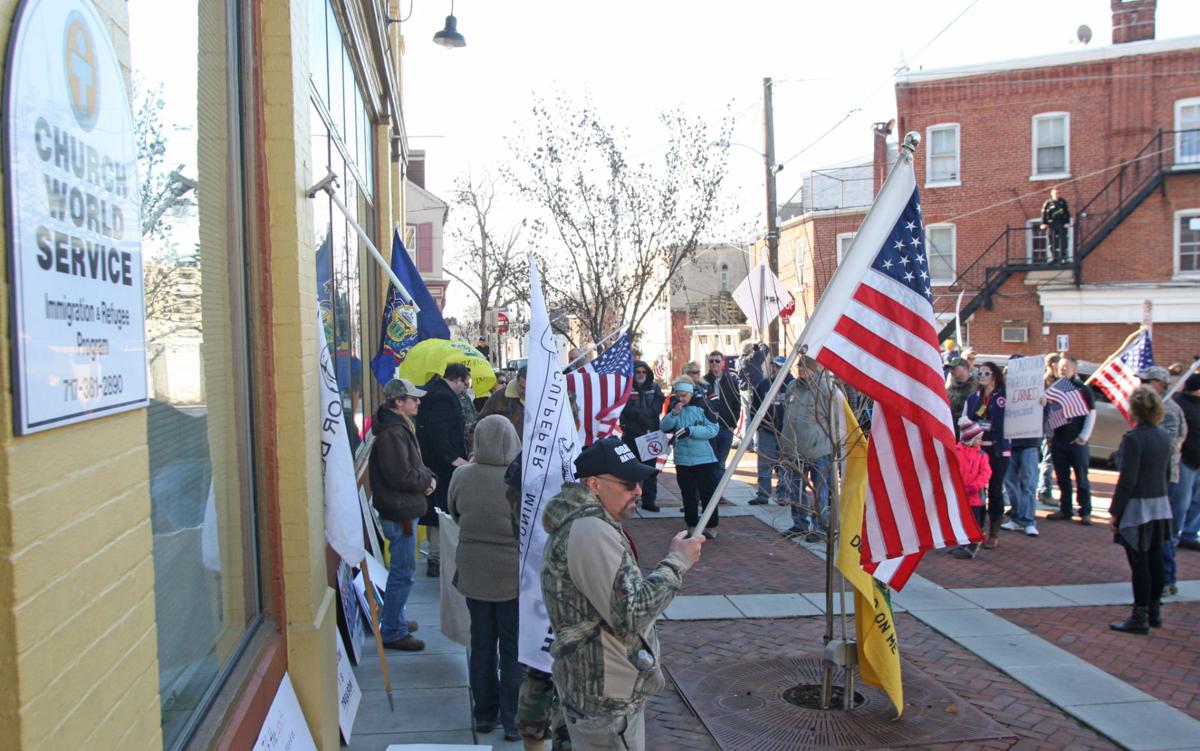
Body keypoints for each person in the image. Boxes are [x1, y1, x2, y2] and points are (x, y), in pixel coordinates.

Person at [540, 437, 705, 750]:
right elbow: (630, 613)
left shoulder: (591, 524)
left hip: (596, 686)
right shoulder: (591, 530)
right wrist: (676, 563)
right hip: (606, 697)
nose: (639, 491)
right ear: (594, 484)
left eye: (639, 482)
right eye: (628, 483)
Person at [449, 415, 523, 741]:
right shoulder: (521, 480)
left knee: (481, 644)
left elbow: (454, 514)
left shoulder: (462, 476)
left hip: (474, 570)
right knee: (512, 648)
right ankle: (512, 718)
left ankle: (484, 714)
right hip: (512, 575)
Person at [369, 378, 437, 651]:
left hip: (404, 509)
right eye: (413, 397)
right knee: (402, 572)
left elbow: (412, 467)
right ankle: (393, 631)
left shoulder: (398, 429)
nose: (418, 402)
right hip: (401, 513)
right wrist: (427, 482)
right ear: (399, 402)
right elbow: (401, 474)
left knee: (401, 571)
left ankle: (393, 618)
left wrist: (427, 477)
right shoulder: (393, 434)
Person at [1108, 387, 1172, 634]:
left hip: (1139, 506)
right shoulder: (1163, 435)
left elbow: (1128, 480)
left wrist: (1116, 511)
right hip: (1160, 503)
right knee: (1155, 558)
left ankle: (1140, 615)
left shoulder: (1134, 438)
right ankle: (1154, 610)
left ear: (1134, 409)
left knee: (1140, 563)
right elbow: (1166, 472)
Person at [416, 362, 472, 577]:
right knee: (443, 510)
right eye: (464, 383)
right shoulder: (443, 397)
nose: (465, 388)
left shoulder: (436, 392)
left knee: (439, 510)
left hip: (437, 463)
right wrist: (454, 458)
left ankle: (436, 556)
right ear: (456, 379)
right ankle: (438, 557)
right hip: (442, 465)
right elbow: (438, 431)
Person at [1139, 367, 1187, 595]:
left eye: (1146, 380)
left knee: (1162, 531)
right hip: (1153, 480)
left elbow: (1166, 445)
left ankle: (1167, 578)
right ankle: (1157, 576)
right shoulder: (1155, 408)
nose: (1141, 383)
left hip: (1163, 479)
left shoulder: (1168, 409)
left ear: (1159, 383)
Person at [781, 357, 835, 542]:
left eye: (804, 367)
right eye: (798, 366)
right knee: (795, 489)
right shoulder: (792, 387)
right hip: (794, 449)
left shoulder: (825, 389)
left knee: (820, 491)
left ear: (814, 369)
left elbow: (834, 420)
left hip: (818, 450)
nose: (800, 369)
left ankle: (819, 527)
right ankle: (799, 524)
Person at [661, 380, 721, 538]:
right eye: (678, 395)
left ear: (691, 393)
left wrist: (691, 430)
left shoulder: (702, 405)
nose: (681, 399)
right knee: (688, 495)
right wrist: (674, 414)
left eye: (684, 395)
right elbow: (664, 427)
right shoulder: (675, 406)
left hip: (704, 459)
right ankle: (691, 525)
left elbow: (713, 429)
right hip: (683, 459)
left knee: (707, 493)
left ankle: (711, 525)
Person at [963, 361, 1011, 548]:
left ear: (995, 375)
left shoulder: (1005, 397)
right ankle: (977, 529)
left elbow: (1022, 414)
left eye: (986, 373)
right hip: (978, 450)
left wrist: (1042, 403)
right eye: (980, 373)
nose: (982, 376)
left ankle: (994, 533)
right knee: (977, 490)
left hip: (998, 450)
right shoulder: (974, 398)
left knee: (995, 489)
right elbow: (965, 422)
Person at [1046, 357, 1095, 524]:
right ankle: (1065, 509)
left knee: (1081, 478)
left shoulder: (1083, 390)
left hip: (1077, 442)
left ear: (1074, 369)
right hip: (1059, 440)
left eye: (1066, 367)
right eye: (1060, 367)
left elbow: (1091, 414)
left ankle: (1085, 511)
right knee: (1062, 478)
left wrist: (1084, 437)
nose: (1062, 369)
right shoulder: (1055, 389)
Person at [1001, 356, 1041, 537]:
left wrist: (1043, 403)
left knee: (1028, 482)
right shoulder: (1003, 393)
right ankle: (1017, 516)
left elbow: (1045, 415)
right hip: (1010, 442)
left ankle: (1028, 520)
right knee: (1010, 483)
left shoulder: (1036, 391)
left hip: (1030, 442)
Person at [619, 360, 666, 512]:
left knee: (651, 471)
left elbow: (659, 405)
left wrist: (646, 414)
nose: (641, 374)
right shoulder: (626, 388)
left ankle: (649, 501)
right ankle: (630, 500)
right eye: (638, 372)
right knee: (631, 471)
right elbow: (625, 409)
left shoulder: (654, 387)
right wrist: (641, 415)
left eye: (643, 372)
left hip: (650, 435)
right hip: (631, 435)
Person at [750, 356, 793, 506]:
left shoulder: (792, 385)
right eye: (774, 366)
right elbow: (754, 407)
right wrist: (757, 425)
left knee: (785, 464)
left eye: (780, 366)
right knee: (764, 464)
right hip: (767, 430)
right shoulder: (763, 385)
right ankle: (763, 494)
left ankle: (784, 495)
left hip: (787, 433)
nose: (776, 369)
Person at [951, 419, 992, 559]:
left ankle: (972, 547)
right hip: (959, 495)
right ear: (969, 439)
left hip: (974, 497)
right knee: (961, 521)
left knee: (973, 523)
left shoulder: (982, 455)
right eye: (978, 438)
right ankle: (963, 544)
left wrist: (974, 486)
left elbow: (985, 474)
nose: (980, 441)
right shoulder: (956, 451)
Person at [703, 351, 742, 474]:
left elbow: (737, 405)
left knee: (720, 464)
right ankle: (710, 492)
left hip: (725, 428)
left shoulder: (731, 382)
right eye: (711, 361)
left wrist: (732, 424)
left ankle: (718, 493)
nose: (714, 363)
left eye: (717, 361)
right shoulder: (703, 382)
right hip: (708, 428)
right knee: (709, 463)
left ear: (723, 363)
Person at [1174, 373, 1200, 552]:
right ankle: (1173, 534)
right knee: (1181, 501)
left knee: (1198, 501)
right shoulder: (1179, 404)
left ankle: (1189, 534)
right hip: (1185, 458)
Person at [1037, 353, 1063, 504]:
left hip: (1058, 425)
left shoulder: (1060, 381)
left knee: (1050, 460)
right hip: (1046, 426)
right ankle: (1045, 492)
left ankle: (1045, 491)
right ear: (1053, 364)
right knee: (1048, 459)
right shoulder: (1044, 382)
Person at [479, 366, 527, 440]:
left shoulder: (545, 398)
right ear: (517, 382)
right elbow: (480, 424)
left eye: (529, 387)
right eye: (522, 387)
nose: (525, 391)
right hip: (506, 448)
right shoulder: (498, 397)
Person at [945, 357, 978, 429]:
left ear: (965, 368)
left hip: (966, 430)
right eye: (950, 369)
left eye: (954, 368)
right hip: (950, 428)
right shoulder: (951, 387)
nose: (951, 371)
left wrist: (958, 424)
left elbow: (973, 413)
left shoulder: (975, 387)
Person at [1040, 187, 1072, 262]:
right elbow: (1044, 213)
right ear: (1052, 194)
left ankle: (1063, 257)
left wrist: (1067, 222)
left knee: (1062, 241)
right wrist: (1043, 223)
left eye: (1058, 193)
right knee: (1051, 241)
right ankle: (1054, 257)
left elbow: (1067, 213)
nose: (1057, 195)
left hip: (1061, 223)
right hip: (1051, 224)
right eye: (1056, 193)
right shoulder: (1048, 203)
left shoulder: (1063, 202)